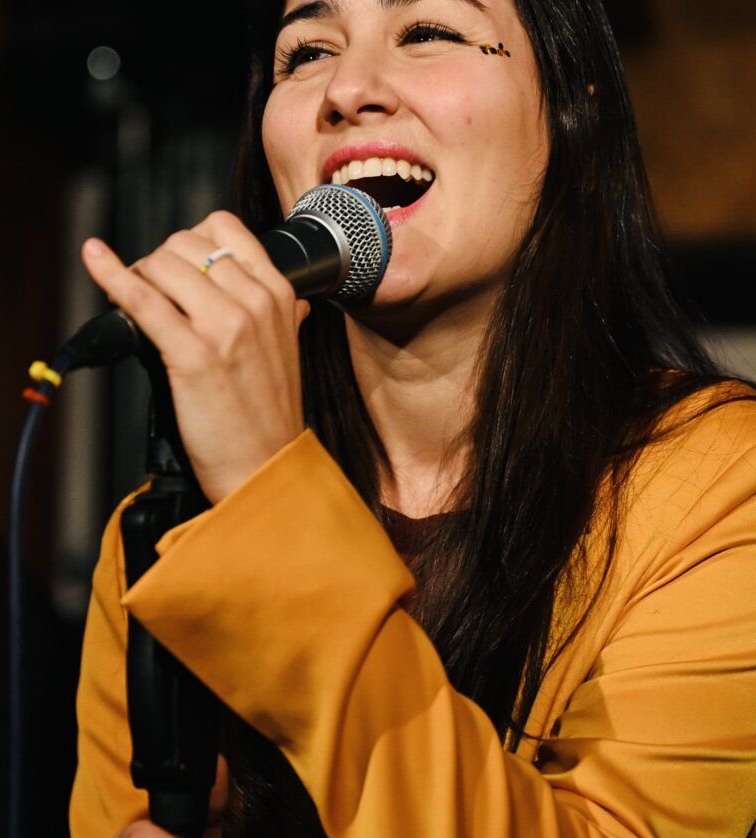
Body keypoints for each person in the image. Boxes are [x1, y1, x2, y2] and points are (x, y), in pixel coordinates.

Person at [68, 0, 756, 835]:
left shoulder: (725, 487)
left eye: (428, 32)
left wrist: (266, 500)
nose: (349, 88)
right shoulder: (167, 534)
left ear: (576, 107)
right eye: (307, 52)